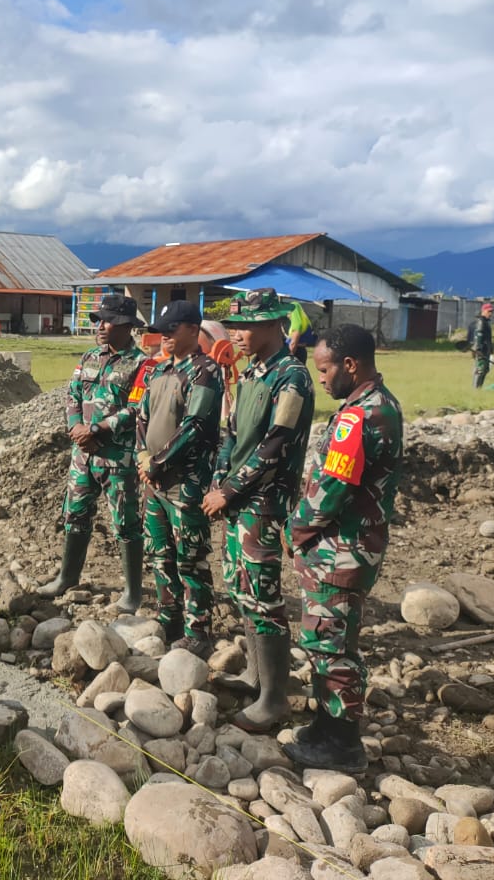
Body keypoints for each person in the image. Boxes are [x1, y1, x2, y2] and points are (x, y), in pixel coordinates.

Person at [283, 324, 402, 773]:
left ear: (350, 365)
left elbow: (331, 489)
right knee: (327, 638)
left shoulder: (361, 416)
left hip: (341, 549)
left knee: (332, 646)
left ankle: (343, 745)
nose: (321, 378)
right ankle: (326, 724)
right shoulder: (376, 404)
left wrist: (297, 528)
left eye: (326, 369)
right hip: (348, 546)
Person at [203, 288, 314, 732]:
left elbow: (275, 444)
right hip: (236, 501)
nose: (239, 334)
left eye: (248, 325)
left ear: (274, 324)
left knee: (263, 595)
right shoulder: (250, 374)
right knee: (241, 586)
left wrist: (228, 491)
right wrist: (217, 480)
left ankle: (274, 698)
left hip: (264, 504)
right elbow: (230, 434)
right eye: (236, 326)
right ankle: (255, 673)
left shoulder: (291, 377)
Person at [40, 295, 145, 613]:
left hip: (117, 459)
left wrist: (97, 431)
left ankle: (132, 593)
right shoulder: (87, 358)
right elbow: (72, 395)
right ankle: (67, 577)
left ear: (127, 326)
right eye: (98, 320)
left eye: (107, 320)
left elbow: (137, 409)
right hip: (82, 455)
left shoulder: (142, 365)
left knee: (125, 523)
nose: (100, 326)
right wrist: (76, 428)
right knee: (75, 514)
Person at [135, 301, 225, 658]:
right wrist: (144, 459)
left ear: (192, 329)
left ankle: (198, 629)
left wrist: (157, 462)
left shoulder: (206, 371)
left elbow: (196, 426)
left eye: (172, 330)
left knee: (190, 559)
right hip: (154, 483)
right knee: (160, 554)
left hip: (185, 482)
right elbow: (142, 417)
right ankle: (169, 617)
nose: (166, 337)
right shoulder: (159, 372)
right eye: (163, 331)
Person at [471, 302, 494, 389]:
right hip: (481, 350)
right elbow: (478, 337)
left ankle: (479, 388)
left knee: (485, 369)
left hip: (486, 350)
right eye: (489, 311)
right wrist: (478, 350)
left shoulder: (486, 322)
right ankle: (475, 389)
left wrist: (491, 350)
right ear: (483, 311)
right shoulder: (481, 322)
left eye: (491, 311)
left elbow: (488, 339)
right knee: (480, 370)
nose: (490, 313)